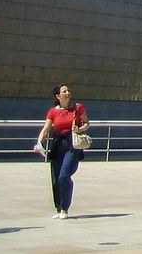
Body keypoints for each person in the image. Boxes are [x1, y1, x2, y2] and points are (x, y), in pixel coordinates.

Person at [33, 84, 89, 219]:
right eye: (64, 91)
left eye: (69, 90)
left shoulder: (77, 108)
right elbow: (46, 129)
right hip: (58, 144)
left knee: (64, 175)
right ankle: (59, 208)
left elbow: (87, 123)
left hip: (71, 144)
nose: (68, 93)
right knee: (56, 178)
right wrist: (39, 143)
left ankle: (65, 208)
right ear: (58, 96)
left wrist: (79, 129)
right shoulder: (53, 111)